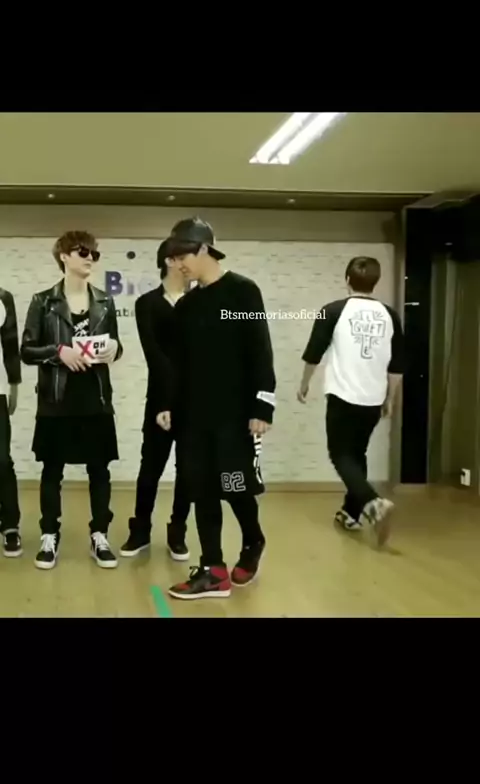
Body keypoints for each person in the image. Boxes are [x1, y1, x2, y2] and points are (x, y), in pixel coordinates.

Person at [158, 217, 276, 600]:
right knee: (201, 489)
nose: (178, 264)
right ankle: (213, 570)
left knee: (234, 485)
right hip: (193, 417)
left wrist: (263, 405)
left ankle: (253, 540)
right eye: (173, 259)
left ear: (205, 249)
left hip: (234, 416)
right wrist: (168, 404)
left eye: (183, 256)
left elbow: (259, 349)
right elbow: (178, 363)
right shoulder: (187, 305)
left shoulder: (243, 292)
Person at [21, 230, 123, 570]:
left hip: (95, 396)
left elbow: (116, 346)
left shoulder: (105, 301)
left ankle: (100, 535)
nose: (90, 258)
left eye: (94, 253)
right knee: (52, 470)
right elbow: (27, 350)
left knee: (99, 469)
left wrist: (114, 349)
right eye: (82, 252)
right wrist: (58, 352)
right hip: (57, 398)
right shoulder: (43, 301)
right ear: (63, 256)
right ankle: (49, 534)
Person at [297, 256, 404, 547]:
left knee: (340, 454)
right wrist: (390, 399)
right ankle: (351, 514)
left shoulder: (333, 311)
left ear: (347, 280)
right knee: (357, 454)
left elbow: (314, 353)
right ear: (375, 282)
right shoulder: (390, 315)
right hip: (373, 399)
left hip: (343, 397)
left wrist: (304, 384)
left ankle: (373, 503)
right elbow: (397, 364)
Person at [120, 239, 191, 560]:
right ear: (170, 261)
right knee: (150, 468)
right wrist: (165, 403)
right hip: (160, 398)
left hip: (194, 401)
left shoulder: (201, 301)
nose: (191, 263)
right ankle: (140, 531)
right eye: (185, 257)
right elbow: (155, 356)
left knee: (187, 470)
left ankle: (178, 532)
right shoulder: (147, 303)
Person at [0, 287, 22, 558]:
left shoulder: (3, 298)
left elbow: (10, 344)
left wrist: (14, 384)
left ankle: (10, 525)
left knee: (2, 460)